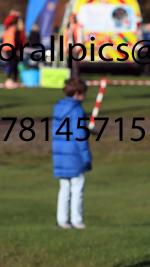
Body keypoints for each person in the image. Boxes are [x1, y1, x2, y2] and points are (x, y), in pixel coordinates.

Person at [52, 78, 91, 229]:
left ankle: (62, 220)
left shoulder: (58, 107)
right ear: (77, 94)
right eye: (83, 94)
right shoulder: (77, 110)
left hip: (60, 154)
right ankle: (76, 220)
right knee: (77, 188)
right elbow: (79, 135)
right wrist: (86, 157)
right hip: (74, 154)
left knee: (64, 188)